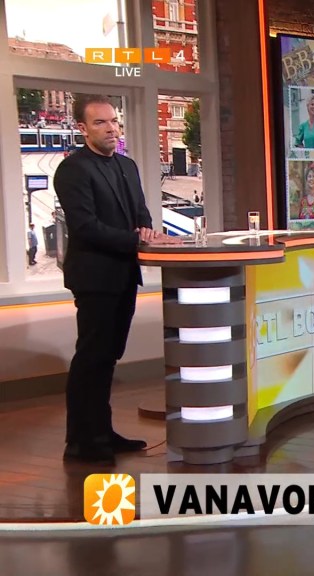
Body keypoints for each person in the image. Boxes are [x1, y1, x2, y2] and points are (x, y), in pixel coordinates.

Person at [54, 94, 180, 464]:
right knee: (91, 358)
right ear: (82, 128)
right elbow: (86, 227)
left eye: (114, 121)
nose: (111, 129)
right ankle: (81, 442)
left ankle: (102, 432)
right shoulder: (73, 169)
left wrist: (147, 231)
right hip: (94, 277)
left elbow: (141, 215)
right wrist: (135, 239)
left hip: (124, 274)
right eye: (101, 123)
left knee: (108, 358)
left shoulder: (127, 165)